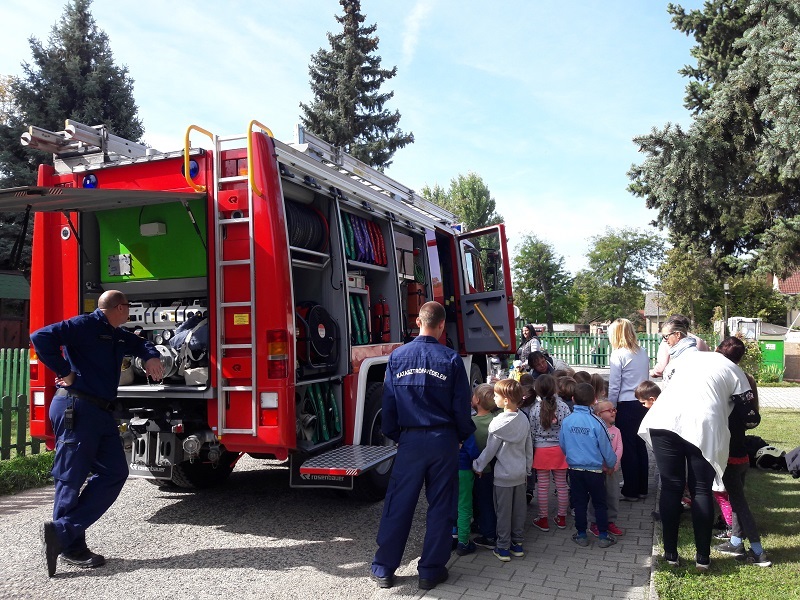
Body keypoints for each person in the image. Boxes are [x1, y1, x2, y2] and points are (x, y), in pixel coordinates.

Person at [31, 290, 164, 577]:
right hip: (76, 408)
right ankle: (71, 548)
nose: (130, 311)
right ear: (119, 307)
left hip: (101, 412)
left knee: (115, 472)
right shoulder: (84, 325)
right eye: (129, 307)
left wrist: (151, 356)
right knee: (71, 478)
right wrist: (64, 371)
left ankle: (61, 532)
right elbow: (40, 337)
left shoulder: (116, 333)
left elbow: (140, 343)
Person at [371, 301, 475, 591]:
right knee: (441, 505)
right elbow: (461, 407)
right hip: (443, 441)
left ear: (418, 322)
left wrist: (397, 434)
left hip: (410, 441)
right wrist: (462, 436)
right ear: (442, 325)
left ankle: (384, 569)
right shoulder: (451, 359)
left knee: (399, 504)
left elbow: (389, 403)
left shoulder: (398, 356)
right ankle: (430, 571)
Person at [638, 338, 755, 571]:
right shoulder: (735, 371)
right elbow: (749, 415)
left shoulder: (688, 359)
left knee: (671, 487)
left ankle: (670, 554)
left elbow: (668, 380)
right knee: (701, 488)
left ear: (716, 349)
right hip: (702, 425)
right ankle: (703, 558)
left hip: (663, 420)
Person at [714, 340, 772, 567]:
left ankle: (758, 552)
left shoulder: (728, 386)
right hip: (741, 455)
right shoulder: (745, 383)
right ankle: (736, 541)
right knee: (737, 499)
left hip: (730, 456)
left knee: (739, 503)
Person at [473, 379, 533, 562]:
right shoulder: (523, 419)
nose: (494, 398)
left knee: (503, 512)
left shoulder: (497, 423)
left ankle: (503, 547)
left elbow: (490, 451)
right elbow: (528, 447)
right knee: (519, 511)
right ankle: (518, 544)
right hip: (520, 474)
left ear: (505, 400)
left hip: (503, 477)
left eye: (496, 395)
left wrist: (478, 465)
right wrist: (527, 469)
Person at [559, 383, 618, 548]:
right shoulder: (597, 422)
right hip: (595, 471)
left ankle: (581, 534)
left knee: (579, 503)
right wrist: (611, 464)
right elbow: (606, 446)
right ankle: (603, 536)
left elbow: (562, 444)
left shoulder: (567, 421)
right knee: (600, 503)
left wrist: (571, 456)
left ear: (573, 399)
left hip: (574, 469)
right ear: (594, 400)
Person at [607, 318, 650, 502]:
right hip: (641, 402)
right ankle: (641, 487)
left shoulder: (618, 355)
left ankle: (631, 490)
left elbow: (614, 385)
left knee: (628, 448)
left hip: (626, 403)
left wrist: (611, 406)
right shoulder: (643, 352)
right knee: (640, 445)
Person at [529, 374, 571, 532]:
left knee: (542, 486)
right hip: (560, 450)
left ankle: (543, 519)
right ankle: (561, 518)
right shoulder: (564, 407)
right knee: (562, 485)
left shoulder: (535, 409)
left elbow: (532, 431)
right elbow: (567, 428)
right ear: (555, 388)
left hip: (541, 450)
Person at [588, 400, 624, 537]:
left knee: (613, 496)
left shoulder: (617, 431)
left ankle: (610, 521)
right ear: (598, 414)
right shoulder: (595, 429)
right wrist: (602, 464)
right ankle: (594, 522)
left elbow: (619, 448)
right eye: (609, 410)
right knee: (596, 497)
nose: (613, 412)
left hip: (612, 471)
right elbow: (594, 449)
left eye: (614, 409)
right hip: (598, 470)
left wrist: (613, 465)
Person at [470, 383, 499, 549]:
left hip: (477, 468)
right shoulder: (496, 419)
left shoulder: (471, 423)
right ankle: (483, 525)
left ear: (477, 400)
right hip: (493, 468)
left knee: (482, 501)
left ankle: (489, 535)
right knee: (488, 500)